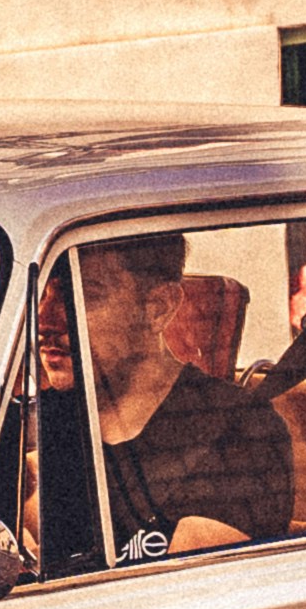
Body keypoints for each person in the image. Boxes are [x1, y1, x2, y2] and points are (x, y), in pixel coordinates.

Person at [25, 236, 289, 563]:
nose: (44, 320)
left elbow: (186, 589)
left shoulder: (241, 432)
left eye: (81, 295)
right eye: (41, 294)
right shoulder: (50, 419)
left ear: (158, 309)